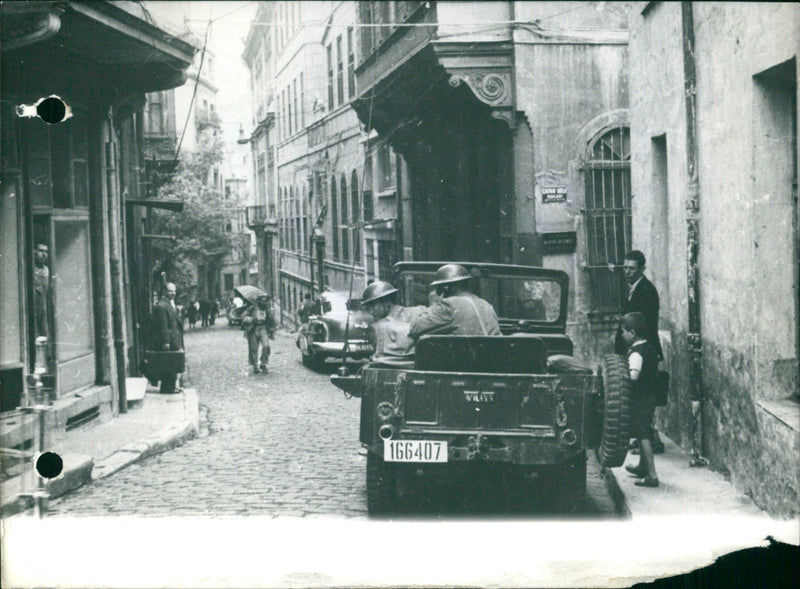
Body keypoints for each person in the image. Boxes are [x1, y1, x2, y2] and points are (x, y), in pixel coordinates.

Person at [614, 250, 665, 454]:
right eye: (625, 268)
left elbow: (646, 325)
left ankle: (651, 440)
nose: (627, 272)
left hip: (643, 352)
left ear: (642, 269)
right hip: (636, 350)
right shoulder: (633, 288)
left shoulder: (646, 291)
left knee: (644, 399)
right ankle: (643, 437)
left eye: (631, 268)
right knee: (638, 398)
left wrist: (637, 350)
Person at [409, 264, 501, 339]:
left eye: (439, 288)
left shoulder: (448, 305)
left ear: (446, 288)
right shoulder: (485, 304)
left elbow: (415, 328)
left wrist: (434, 305)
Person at [620, 312, 659, 488]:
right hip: (650, 395)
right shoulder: (650, 348)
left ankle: (652, 475)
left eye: (624, 331)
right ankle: (643, 466)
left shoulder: (636, 352)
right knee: (644, 431)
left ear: (632, 332)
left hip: (640, 398)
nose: (622, 335)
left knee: (643, 435)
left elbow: (633, 376)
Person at [361, 281, 425, 367]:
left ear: (386, 302)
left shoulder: (379, 326)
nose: (370, 310)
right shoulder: (418, 311)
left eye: (372, 305)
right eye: (368, 307)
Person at [151, 282, 184, 394]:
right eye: (170, 291)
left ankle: (171, 386)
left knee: (172, 364)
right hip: (169, 340)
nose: (173, 293)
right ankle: (167, 388)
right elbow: (163, 326)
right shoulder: (161, 306)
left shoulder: (168, 303)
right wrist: (166, 342)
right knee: (169, 364)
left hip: (173, 338)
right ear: (164, 291)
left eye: (174, 291)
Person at [242, 294, 275, 374]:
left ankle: (263, 363)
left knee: (266, 346)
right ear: (259, 301)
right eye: (262, 300)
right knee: (254, 349)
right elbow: (243, 315)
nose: (264, 302)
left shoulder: (267, 309)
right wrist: (248, 318)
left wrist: (271, 325)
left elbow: (271, 320)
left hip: (263, 329)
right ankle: (255, 366)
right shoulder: (252, 308)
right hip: (254, 329)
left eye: (265, 301)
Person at [33, 243, 50, 342]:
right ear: (34, 252)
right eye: (41, 251)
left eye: (46, 251)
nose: (44, 254)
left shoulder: (46, 269)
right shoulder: (30, 269)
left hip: (43, 305)